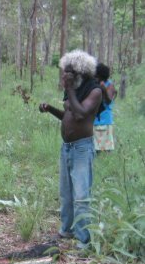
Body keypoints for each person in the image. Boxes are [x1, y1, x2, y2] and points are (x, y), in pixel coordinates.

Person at [39, 50, 103, 249]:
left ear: (80, 73)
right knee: (66, 193)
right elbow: (68, 115)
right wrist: (50, 109)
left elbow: (81, 113)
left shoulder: (94, 91)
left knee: (82, 195)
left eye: (68, 74)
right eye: (63, 73)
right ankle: (66, 230)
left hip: (82, 149)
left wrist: (71, 91)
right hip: (66, 148)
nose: (64, 77)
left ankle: (84, 240)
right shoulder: (71, 90)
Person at [93, 63, 116, 152]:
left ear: (101, 76)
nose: (95, 77)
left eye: (96, 75)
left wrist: (104, 89)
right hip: (93, 120)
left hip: (105, 120)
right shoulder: (94, 83)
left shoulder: (109, 85)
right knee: (94, 149)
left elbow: (108, 101)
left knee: (106, 149)